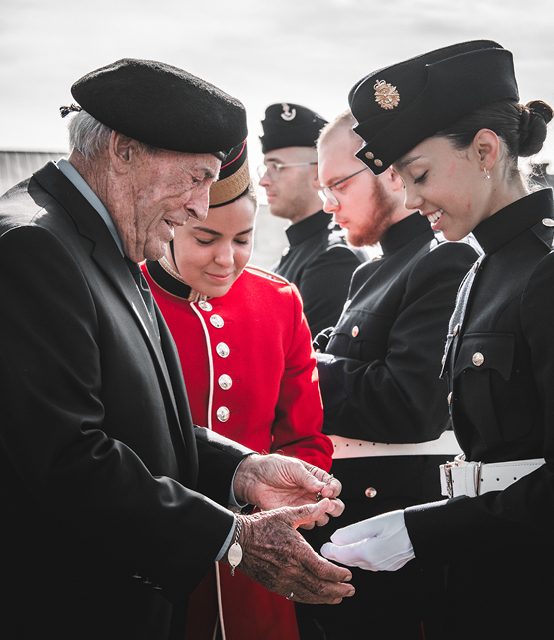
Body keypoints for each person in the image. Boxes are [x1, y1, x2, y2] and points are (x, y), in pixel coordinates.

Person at [0, 58, 354, 640]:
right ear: (123, 150)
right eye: (196, 177)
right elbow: (66, 457)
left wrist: (242, 469)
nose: (198, 204)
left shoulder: (104, 238)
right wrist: (230, 537)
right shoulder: (34, 247)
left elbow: (144, 420)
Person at [321, 40, 554, 639]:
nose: (412, 198)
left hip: (547, 597)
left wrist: (423, 531)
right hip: (477, 583)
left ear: (484, 150)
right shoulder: (479, 267)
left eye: (419, 175)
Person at [295, 110, 479, 639]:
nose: (327, 204)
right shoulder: (368, 271)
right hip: (350, 531)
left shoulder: (443, 260)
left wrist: (300, 364)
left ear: (390, 171)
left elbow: (408, 402)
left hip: (399, 538)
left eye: (338, 184)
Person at [142, 139, 333, 640]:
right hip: (158, 562)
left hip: (258, 578)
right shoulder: (128, 292)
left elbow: (305, 434)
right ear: (170, 224)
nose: (228, 259)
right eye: (206, 238)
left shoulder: (279, 300)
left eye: (244, 239)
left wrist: (296, 499)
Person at [259, 102, 368, 337]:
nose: (264, 181)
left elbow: (307, 364)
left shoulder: (333, 257)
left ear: (319, 174)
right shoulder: (297, 254)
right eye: (265, 167)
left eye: (277, 166)